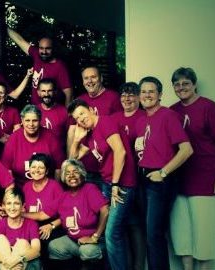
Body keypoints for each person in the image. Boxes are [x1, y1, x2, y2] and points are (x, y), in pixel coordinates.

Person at [68, 99, 137, 270]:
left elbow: (120, 152)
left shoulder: (105, 122)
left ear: (91, 109)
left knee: (112, 232)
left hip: (122, 184)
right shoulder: (90, 133)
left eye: (82, 113)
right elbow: (72, 160)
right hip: (107, 183)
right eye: (77, 118)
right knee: (112, 232)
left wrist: (115, 185)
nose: (81, 119)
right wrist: (76, 140)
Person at [134, 76, 193, 270]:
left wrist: (163, 172)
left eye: (151, 91)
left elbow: (186, 150)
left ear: (160, 94)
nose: (147, 95)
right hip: (143, 179)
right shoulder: (141, 120)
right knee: (149, 233)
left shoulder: (168, 116)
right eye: (143, 91)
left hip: (161, 182)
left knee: (154, 234)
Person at [169, 67, 215, 270]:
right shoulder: (171, 111)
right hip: (179, 180)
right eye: (177, 84)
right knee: (182, 235)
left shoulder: (209, 107)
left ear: (194, 84)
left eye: (186, 83)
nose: (181, 88)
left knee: (204, 234)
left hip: (205, 178)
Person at [48, 159, 109, 270]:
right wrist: (22, 214)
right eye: (67, 173)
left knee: (86, 251)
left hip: (94, 242)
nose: (71, 175)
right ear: (63, 178)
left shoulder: (90, 189)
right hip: (74, 241)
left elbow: (105, 210)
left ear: (82, 174)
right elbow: (45, 214)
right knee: (55, 246)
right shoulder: (64, 196)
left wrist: (95, 237)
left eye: (75, 172)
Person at [68, 66, 123, 186]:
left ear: (101, 78)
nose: (90, 81)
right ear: (82, 82)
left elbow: (120, 131)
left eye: (93, 77)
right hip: (86, 165)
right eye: (86, 78)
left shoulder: (113, 98)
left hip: (110, 169)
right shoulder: (79, 101)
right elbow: (72, 131)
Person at [111, 82, 146, 270]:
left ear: (139, 98)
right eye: (124, 95)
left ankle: (139, 266)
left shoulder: (143, 116)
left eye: (132, 95)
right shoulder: (114, 118)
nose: (127, 98)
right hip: (119, 178)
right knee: (121, 225)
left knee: (136, 224)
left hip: (139, 179)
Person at [2, 105, 65, 187]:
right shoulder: (13, 139)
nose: (31, 124)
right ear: (22, 121)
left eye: (34, 120)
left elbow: (59, 167)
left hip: (46, 187)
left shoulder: (51, 137)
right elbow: (7, 170)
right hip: (20, 188)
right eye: (27, 120)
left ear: (40, 120)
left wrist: (55, 189)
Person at [7, 28, 72, 106]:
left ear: (53, 48)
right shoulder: (36, 55)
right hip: (35, 109)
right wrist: (3, 25)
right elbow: (20, 41)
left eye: (47, 49)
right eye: (41, 48)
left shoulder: (59, 66)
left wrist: (67, 114)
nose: (44, 52)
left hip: (52, 110)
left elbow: (69, 93)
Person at [21, 153, 63, 267]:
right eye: (33, 167)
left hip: (51, 224)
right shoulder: (26, 186)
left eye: (41, 167)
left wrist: (51, 226)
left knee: (43, 242)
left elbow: (65, 214)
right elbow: (24, 209)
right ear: (29, 169)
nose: (37, 170)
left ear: (47, 171)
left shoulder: (55, 186)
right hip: (31, 224)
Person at [0, 187, 41, 270]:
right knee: (0, 239)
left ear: (23, 207)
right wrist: (7, 261)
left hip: (23, 265)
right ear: (3, 206)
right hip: (2, 266)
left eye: (16, 203)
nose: (12, 207)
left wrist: (18, 260)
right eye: (9, 203)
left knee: (22, 243)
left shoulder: (31, 224)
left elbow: (36, 250)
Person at [36, 78, 68, 149]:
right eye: (43, 91)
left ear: (55, 92)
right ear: (38, 92)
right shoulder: (33, 111)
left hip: (58, 153)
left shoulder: (64, 111)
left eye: (49, 91)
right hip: (37, 153)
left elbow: (70, 136)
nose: (46, 94)